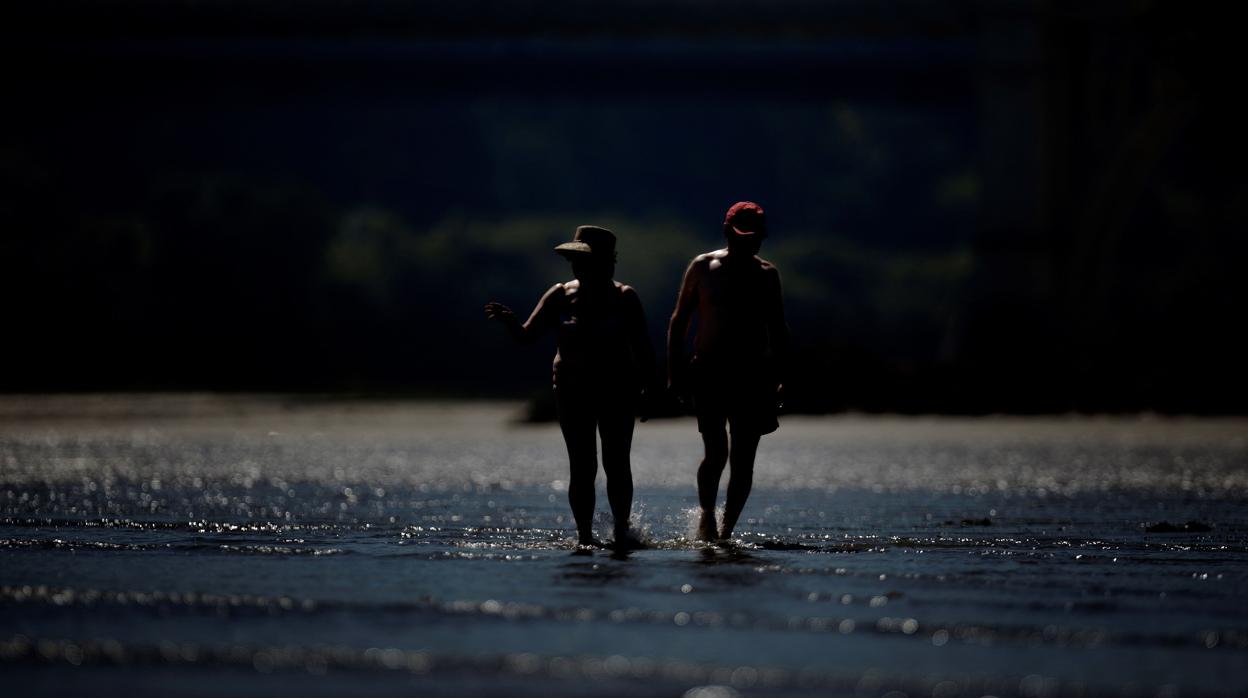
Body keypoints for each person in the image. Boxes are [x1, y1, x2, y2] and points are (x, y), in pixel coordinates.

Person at [484, 225, 656, 550]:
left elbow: (644, 350)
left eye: (587, 261)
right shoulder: (561, 295)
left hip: (617, 391)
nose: (579, 268)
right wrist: (510, 324)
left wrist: (650, 391)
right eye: (576, 261)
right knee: (582, 466)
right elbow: (526, 336)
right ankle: (585, 536)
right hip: (572, 391)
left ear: (609, 263)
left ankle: (621, 532)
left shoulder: (624, 298)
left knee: (617, 462)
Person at [667, 201, 791, 542]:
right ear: (727, 231)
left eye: (754, 237)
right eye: (742, 235)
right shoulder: (704, 267)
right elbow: (679, 321)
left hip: (753, 377)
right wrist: (674, 373)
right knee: (716, 451)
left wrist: (785, 378)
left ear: (762, 238)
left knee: (743, 459)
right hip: (709, 371)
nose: (748, 242)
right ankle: (707, 515)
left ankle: (725, 531)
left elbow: (778, 328)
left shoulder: (766, 274)